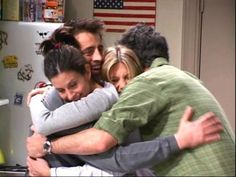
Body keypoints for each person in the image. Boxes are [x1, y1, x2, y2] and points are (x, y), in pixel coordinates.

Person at [27, 28, 224, 176]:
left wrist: (48, 150)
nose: (121, 86)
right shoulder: (61, 102)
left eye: (127, 77)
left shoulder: (110, 97)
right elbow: (113, 162)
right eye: (89, 51)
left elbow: (114, 161)